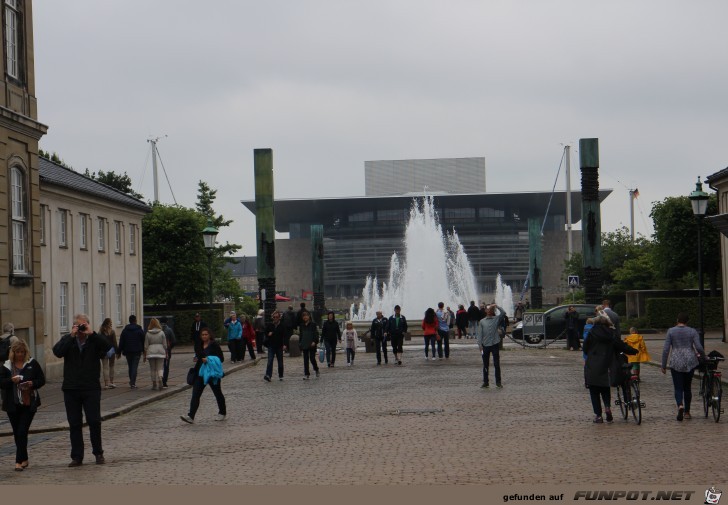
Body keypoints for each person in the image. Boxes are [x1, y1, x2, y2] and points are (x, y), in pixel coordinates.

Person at [52, 313, 111, 466]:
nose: (80, 329)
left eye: (83, 325)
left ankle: (98, 453)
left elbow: (110, 349)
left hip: (91, 387)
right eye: (78, 326)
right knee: (74, 423)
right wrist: (70, 336)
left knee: (94, 421)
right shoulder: (69, 340)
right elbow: (57, 352)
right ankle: (77, 456)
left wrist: (92, 333)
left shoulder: (94, 340)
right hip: (71, 388)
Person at [0, 340, 45, 471]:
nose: (20, 355)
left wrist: (32, 383)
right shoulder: (7, 366)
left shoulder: (32, 363)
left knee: (22, 430)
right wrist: (11, 380)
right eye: (17, 352)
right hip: (12, 404)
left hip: (28, 403)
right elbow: (1, 382)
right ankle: (24, 458)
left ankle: (18, 462)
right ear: (13, 353)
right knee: (18, 433)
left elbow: (41, 380)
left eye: (22, 352)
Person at [583, 314, 637, 424]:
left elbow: (585, 349)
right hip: (607, 365)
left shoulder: (591, 333)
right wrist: (634, 351)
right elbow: (622, 346)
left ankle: (598, 416)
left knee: (594, 391)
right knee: (605, 388)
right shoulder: (611, 334)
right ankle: (607, 408)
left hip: (593, 365)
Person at [661, 312, 705, 421]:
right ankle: (687, 412)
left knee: (678, 387)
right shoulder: (692, 331)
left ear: (677, 320)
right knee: (687, 387)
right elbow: (698, 347)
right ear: (687, 321)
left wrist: (663, 364)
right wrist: (704, 356)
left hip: (676, 360)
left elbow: (666, 349)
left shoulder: (671, 331)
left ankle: (680, 405)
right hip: (690, 360)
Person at [180, 327, 226, 423]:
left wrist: (209, 359)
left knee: (217, 393)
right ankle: (191, 416)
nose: (204, 336)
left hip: (212, 373)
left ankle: (222, 412)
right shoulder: (199, 345)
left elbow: (221, 358)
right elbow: (199, 356)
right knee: (195, 394)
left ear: (209, 335)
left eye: (206, 334)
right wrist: (197, 358)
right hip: (200, 373)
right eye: (203, 335)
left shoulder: (214, 345)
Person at [476, 304, 505, 388]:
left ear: (492, 311)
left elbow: (503, 313)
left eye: (490, 310)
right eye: (487, 309)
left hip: (495, 344)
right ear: (485, 311)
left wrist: (497, 306)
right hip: (485, 345)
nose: (489, 311)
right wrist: (479, 345)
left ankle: (498, 382)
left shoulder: (496, 319)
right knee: (485, 364)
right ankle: (486, 382)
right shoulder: (482, 321)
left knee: (496, 364)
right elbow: (479, 334)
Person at [118, 315, 145, 389]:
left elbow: (121, 341)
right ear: (135, 320)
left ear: (129, 321)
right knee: (134, 367)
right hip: (137, 351)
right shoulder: (139, 330)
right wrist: (144, 350)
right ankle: (132, 382)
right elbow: (143, 340)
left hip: (127, 351)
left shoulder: (125, 330)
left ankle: (131, 381)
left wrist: (119, 351)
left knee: (130, 366)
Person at [143, 318, 167, 391]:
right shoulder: (162, 332)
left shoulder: (148, 333)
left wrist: (145, 354)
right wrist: (165, 351)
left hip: (151, 352)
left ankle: (154, 384)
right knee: (160, 368)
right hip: (160, 351)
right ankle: (160, 378)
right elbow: (165, 344)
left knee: (152, 369)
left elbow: (146, 345)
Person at [263, 310, 287, 381]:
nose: (275, 318)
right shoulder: (270, 325)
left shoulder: (282, 326)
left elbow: (285, 336)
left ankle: (281, 375)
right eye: (274, 317)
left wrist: (285, 344)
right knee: (270, 361)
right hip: (271, 345)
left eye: (277, 317)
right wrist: (268, 334)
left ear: (279, 317)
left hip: (279, 346)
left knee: (280, 362)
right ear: (272, 317)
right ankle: (268, 375)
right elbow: (265, 333)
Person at [298, 311, 320, 379]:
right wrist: (300, 343)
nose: (305, 317)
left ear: (309, 316)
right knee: (305, 359)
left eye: (306, 315)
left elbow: (316, 334)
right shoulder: (301, 325)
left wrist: (314, 341)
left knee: (312, 358)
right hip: (304, 344)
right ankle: (307, 373)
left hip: (312, 344)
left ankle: (316, 369)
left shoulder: (313, 324)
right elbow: (301, 335)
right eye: (304, 316)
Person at [98, 318, 118, 389]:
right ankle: (111, 382)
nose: (111, 324)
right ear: (108, 323)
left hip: (103, 352)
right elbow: (115, 343)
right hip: (111, 351)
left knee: (105, 367)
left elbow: (98, 343)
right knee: (111, 366)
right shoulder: (112, 332)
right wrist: (117, 352)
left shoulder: (100, 332)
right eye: (111, 323)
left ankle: (106, 384)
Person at [160, 317, 176, 389]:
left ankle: (159, 380)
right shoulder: (169, 330)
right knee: (166, 367)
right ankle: (164, 382)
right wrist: (169, 348)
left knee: (159, 367)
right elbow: (174, 341)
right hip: (166, 351)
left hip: (158, 351)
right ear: (167, 321)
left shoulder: (158, 330)